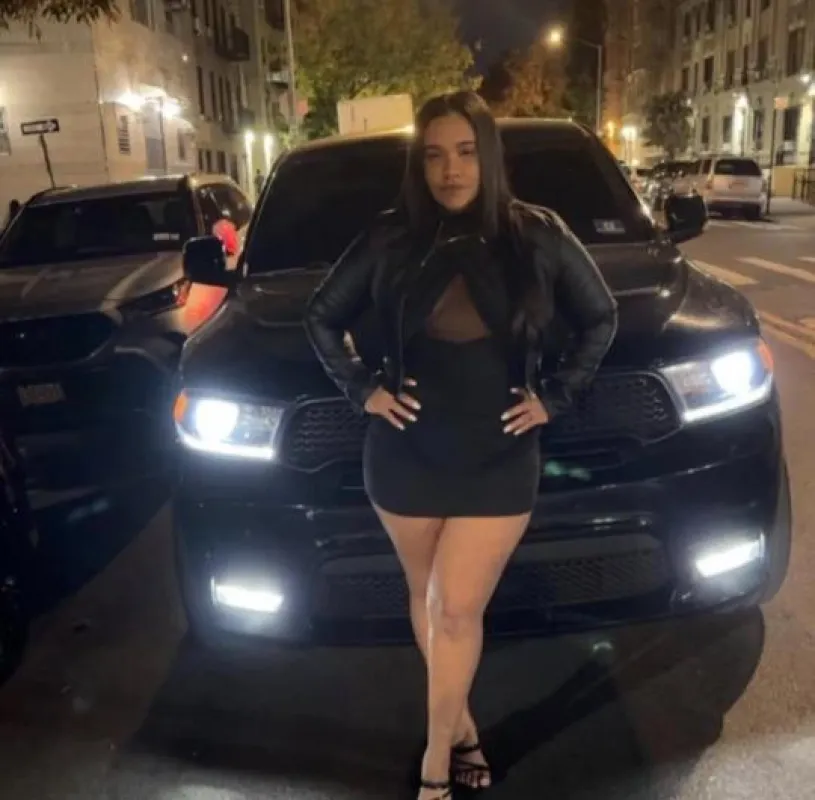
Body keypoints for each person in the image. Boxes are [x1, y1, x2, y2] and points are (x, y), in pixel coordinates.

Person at [305, 91, 617, 799]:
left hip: (498, 455)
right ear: (419, 165)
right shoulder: (390, 237)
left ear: (489, 155)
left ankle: (435, 767)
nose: (451, 170)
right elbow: (321, 316)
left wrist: (555, 397)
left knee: (453, 607)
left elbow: (600, 316)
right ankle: (464, 730)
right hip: (403, 454)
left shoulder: (536, 234)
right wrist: (362, 389)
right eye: (435, 155)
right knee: (429, 599)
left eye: (467, 152)